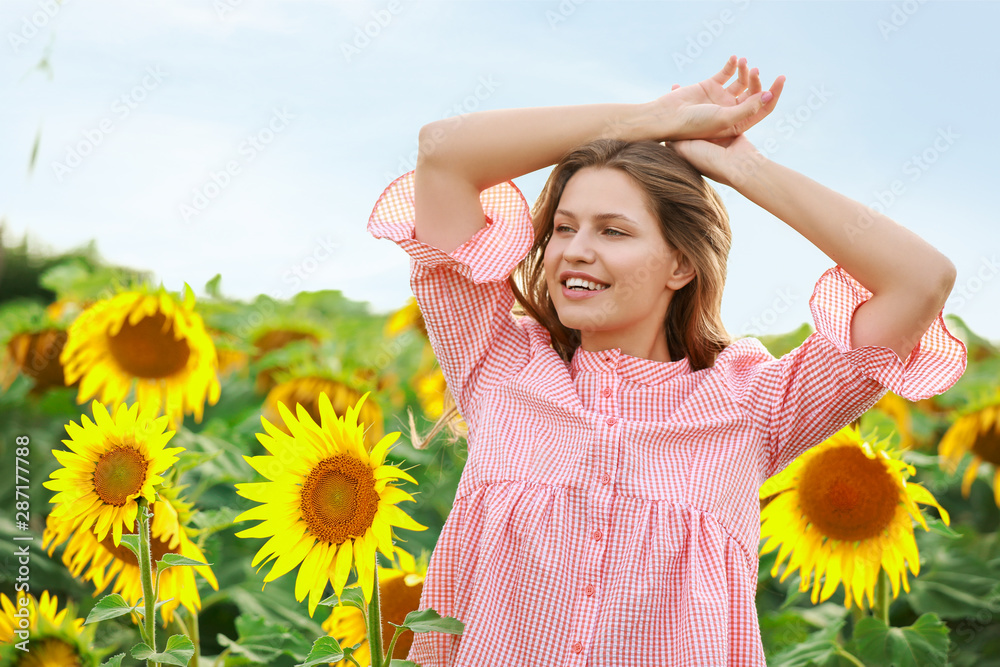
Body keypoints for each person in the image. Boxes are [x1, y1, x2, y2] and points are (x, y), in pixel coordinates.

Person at [367, 56, 967, 666]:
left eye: (613, 232)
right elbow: (441, 151)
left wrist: (741, 165)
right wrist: (646, 119)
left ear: (681, 265)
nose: (575, 251)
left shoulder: (754, 406)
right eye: (564, 228)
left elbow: (920, 280)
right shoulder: (497, 362)